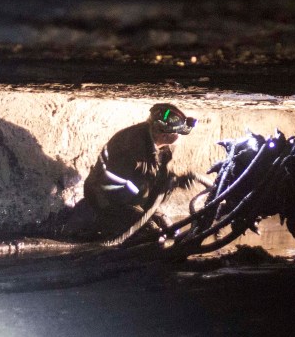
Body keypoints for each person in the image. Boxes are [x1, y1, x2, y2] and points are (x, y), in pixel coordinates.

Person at [65, 103, 202, 244]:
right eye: (177, 133)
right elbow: (116, 190)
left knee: (171, 230)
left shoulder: (162, 147)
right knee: (153, 236)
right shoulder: (131, 148)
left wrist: (176, 181)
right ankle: (100, 231)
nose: (178, 137)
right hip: (106, 201)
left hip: (131, 201)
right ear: (164, 133)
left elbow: (152, 181)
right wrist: (143, 216)